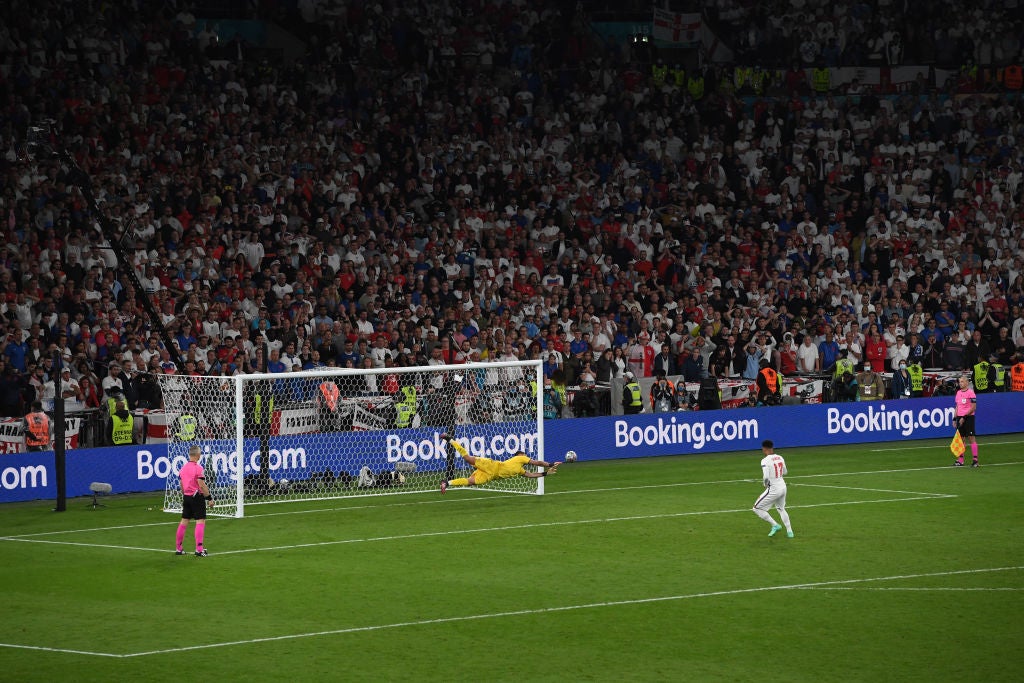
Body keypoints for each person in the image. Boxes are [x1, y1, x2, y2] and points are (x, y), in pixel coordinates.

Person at [438, 433, 561, 492]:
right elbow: (537, 462)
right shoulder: (520, 459)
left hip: (490, 475)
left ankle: (446, 483)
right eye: (523, 453)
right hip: (491, 465)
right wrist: (550, 464)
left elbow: (531, 475)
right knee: (467, 458)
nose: (525, 455)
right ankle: (449, 439)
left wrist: (546, 473)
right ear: (519, 455)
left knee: (470, 482)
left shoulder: (520, 469)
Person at [752, 439, 794, 538]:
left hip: (774, 489)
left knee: (756, 508)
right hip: (783, 487)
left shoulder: (765, 460)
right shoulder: (780, 457)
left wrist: (765, 484)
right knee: (781, 508)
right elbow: (785, 472)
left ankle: (775, 525)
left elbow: (766, 477)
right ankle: (790, 532)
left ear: (764, 448)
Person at [176, 445, 212, 556]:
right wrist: (209, 498)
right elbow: (201, 485)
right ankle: (199, 549)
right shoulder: (198, 468)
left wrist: (185, 495)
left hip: (186, 497)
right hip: (196, 497)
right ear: (197, 455)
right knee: (200, 521)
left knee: (184, 521)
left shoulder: (183, 468)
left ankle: (179, 548)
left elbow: (181, 484)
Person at [953, 375, 979, 467]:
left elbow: (973, 407)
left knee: (971, 438)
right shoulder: (958, 393)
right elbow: (957, 406)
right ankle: (961, 460)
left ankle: (975, 460)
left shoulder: (971, 393)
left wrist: (964, 417)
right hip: (960, 418)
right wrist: (954, 418)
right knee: (961, 439)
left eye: (962, 381)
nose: (960, 383)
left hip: (969, 418)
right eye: (959, 382)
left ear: (967, 383)